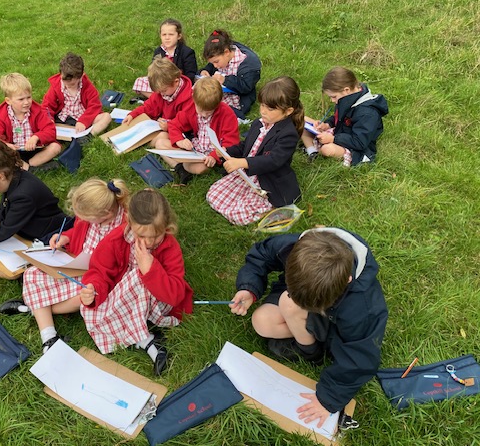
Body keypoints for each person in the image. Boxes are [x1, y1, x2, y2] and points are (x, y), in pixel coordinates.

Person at [229, 228, 388, 429]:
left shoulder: (363, 307)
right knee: (262, 321)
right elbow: (262, 255)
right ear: (291, 259)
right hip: (301, 300)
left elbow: (360, 357)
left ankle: (313, 352)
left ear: (347, 281)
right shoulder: (291, 247)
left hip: (333, 325)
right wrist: (249, 288)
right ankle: (307, 347)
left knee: (288, 304)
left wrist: (328, 399)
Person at [1, 178, 129, 354]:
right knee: (31, 274)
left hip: (100, 277)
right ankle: (49, 337)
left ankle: (34, 308)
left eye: (87, 218)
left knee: (82, 298)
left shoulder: (123, 230)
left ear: (106, 214)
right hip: (75, 263)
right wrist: (66, 237)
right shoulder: (93, 214)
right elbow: (78, 230)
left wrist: (92, 277)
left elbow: (118, 266)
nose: (84, 220)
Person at [79, 189, 193, 376]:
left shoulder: (170, 247)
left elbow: (175, 295)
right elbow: (99, 271)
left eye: (155, 236)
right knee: (91, 310)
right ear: (129, 223)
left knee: (139, 277)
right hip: (123, 297)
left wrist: (150, 269)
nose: (148, 242)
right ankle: (148, 341)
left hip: (158, 300)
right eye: (141, 235)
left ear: (166, 227)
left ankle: (142, 339)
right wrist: (93, 288)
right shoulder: (116, 239)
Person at [0, 140, 72, 278]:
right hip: (31, 228)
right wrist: (0, 221)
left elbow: (5, 231)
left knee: (14, 271)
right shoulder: (15, 177)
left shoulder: (23, 195)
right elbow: (11, 208)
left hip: (49, 234)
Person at [206, 76, 302, 225]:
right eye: (262, 105)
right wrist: (227, 151)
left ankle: (269, 208)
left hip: (267, 181)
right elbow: (247, 146)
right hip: (248, 175)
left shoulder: (288, 134)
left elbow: (273, 160)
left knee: (238, 215)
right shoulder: (259, 123)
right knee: (213, 195)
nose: (263, 111)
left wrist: (242, 162)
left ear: (288, 111)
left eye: (270, 108)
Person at [154, 77, 239, 185]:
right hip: (194, 149)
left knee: (200, 168)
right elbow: (174, 125)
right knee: (160, 143)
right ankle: (180, 167)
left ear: (218, 104)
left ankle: (181, 165)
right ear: (194, 100)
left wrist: (214, 156)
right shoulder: (191, 107)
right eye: (201, 110)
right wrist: (180, 141)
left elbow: (230, 143)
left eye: (208, 112)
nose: (203, 114)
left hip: (209, 156)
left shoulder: (227, 114)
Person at [301, 66, 388, 165]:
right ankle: (312, 151)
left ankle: (314, 149)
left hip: (355, 147)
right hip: (339, 132)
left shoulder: (368, 113)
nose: (332, 101)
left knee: (327, 150)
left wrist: (333, 139)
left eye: (333, 97)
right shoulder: (347, 99)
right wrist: (327, 124)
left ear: (346, 90)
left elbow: (360, 142)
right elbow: (338, 117)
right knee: (302, 121)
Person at [0, 72, 61, 172]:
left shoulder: (38, 111)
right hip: (14, 153)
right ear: (8, 101)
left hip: (35, 150)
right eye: (21, 99)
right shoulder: (1, 116)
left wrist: (36, 137)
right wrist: (6, 145)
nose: (26, 102)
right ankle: (33, 169)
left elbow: (51, 130)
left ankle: (28, 166)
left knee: (55, 147)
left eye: (28, 97)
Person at [122, 58, 195, 147]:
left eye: (163, 91)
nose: (161, 94)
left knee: (161, 137)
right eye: (159, 91)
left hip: (181, 133)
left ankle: (146, 146)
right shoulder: (164, 91)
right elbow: (149, 106)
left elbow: (185, 124)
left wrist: (168, 126)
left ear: (176, 82)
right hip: (163, 126)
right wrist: (133, 114)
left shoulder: (188, 98)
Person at [41, 52, 112, 136]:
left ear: (81, 77)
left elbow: (94, 106)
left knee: (106, 117)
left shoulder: (88, 87)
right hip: (62, 118)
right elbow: (47, 106)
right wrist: (50, 120)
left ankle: (88, 136)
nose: (68, 86)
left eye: (72, 84)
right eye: (64, 82)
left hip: (81, 118)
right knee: (38, 120)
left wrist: (83, 121)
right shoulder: (56, 86)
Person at [199, 29, 261, 120]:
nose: (215, 66)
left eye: (216, 62)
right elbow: (211, 67)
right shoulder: (220, 59)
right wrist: (204, 71)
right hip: (220, 92)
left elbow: (246, 87)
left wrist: (225, 80)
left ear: (227, 52)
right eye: (212, 63)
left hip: (237, 99)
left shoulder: (247, 64)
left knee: (212, 108)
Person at [132, 18, 198, 99]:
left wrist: (178, 76)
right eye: (164, 35)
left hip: (177, 84)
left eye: (171, 34)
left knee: (193, 90)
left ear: (179, 36)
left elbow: (191, 75)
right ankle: (159, 100)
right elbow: (153, 70)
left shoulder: (187, 52)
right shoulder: (158, 51)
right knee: (140, 82)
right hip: (161, 83)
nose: (167, 38)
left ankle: (164, 99)